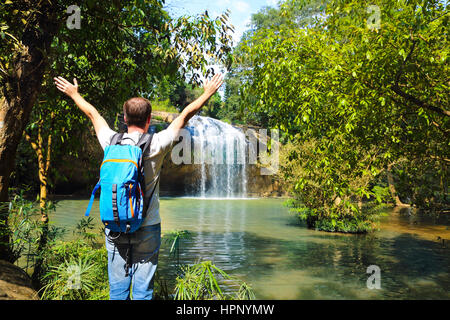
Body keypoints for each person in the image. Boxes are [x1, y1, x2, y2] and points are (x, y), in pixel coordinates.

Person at [54, 73, 224, 300]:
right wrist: (207, 93)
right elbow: (185, 115)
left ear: (124, 118)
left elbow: (92, 114)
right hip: (148, 225)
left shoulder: (110, 141)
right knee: (143, 292)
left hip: (114, 225)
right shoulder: (157, 143)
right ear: (149, 119)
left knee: (117, 290)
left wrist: (74, 94)